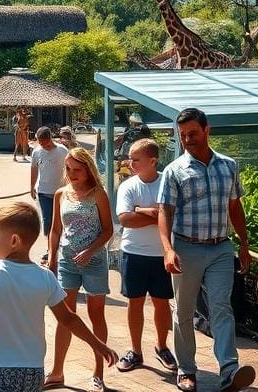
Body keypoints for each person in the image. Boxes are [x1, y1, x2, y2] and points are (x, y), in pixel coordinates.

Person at [0, 203, 117, 392]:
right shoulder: (45, 277)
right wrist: (97, 345)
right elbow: (68, 318)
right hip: (32, 371)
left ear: (14, 241)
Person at [157, 108, 255, 392]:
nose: (188, 139)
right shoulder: (174, 170)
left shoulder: (229, 166)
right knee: (184, 312)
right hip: (186, 249)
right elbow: (164, 211)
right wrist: (167, 249)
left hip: (221, 248)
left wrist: (244, 244)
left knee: (222, 307)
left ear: (206, 130)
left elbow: (235, 207)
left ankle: (229, 370)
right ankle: (187, 370)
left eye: (193, 133)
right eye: (183, 135)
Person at [45, 148, 114, 392]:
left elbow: (108, 230)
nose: (72, 174)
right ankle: (57, 372)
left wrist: (90, 251)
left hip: (94, 262)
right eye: (68, 169)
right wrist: (51, 257)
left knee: (96, 315)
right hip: (67, 261)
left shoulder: (98, 194)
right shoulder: (61, 194)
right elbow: (55, 230)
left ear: (88, 169)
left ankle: (98, 373)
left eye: (77, 169)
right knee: (65, 315)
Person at [115, 138, 177, 375]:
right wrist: (157, 215)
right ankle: (135, 351)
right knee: (135, 302)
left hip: (162, 255)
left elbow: (173, 216)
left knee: (162, 303)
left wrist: (141, 211)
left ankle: (162, 346)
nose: (130, 163)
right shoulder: (128, 186)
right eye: (130, 158)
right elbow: (125, 219)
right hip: (133, 253)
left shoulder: (167, 183)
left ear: (153, 161)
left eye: (136, 159)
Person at [30, 126, 68, 263]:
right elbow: (34, 169)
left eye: (44, 143)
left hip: (61, 192)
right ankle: (50, 249)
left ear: (50, 138)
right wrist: (31, 186)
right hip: (44, 192)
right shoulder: (37, 152)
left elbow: (69, 169)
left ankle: (61, 248)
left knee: (61, 221)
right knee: (48, 222)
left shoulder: (62, 151)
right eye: (40, 143)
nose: (43, 145)